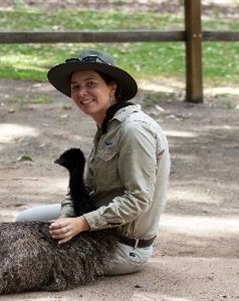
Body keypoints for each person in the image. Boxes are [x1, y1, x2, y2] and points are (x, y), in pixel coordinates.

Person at [16, 49, 170, 275]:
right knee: (23, 221)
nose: (82, 93)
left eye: (91, 84)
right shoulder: (107, 127)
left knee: (29, 259)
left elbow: (138, 200)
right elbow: (84, 187)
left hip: (121, 245)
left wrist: (82, 224)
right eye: (75, 87)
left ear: (112, 87)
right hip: (94, 223)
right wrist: (66, 216)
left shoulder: (134, 130)